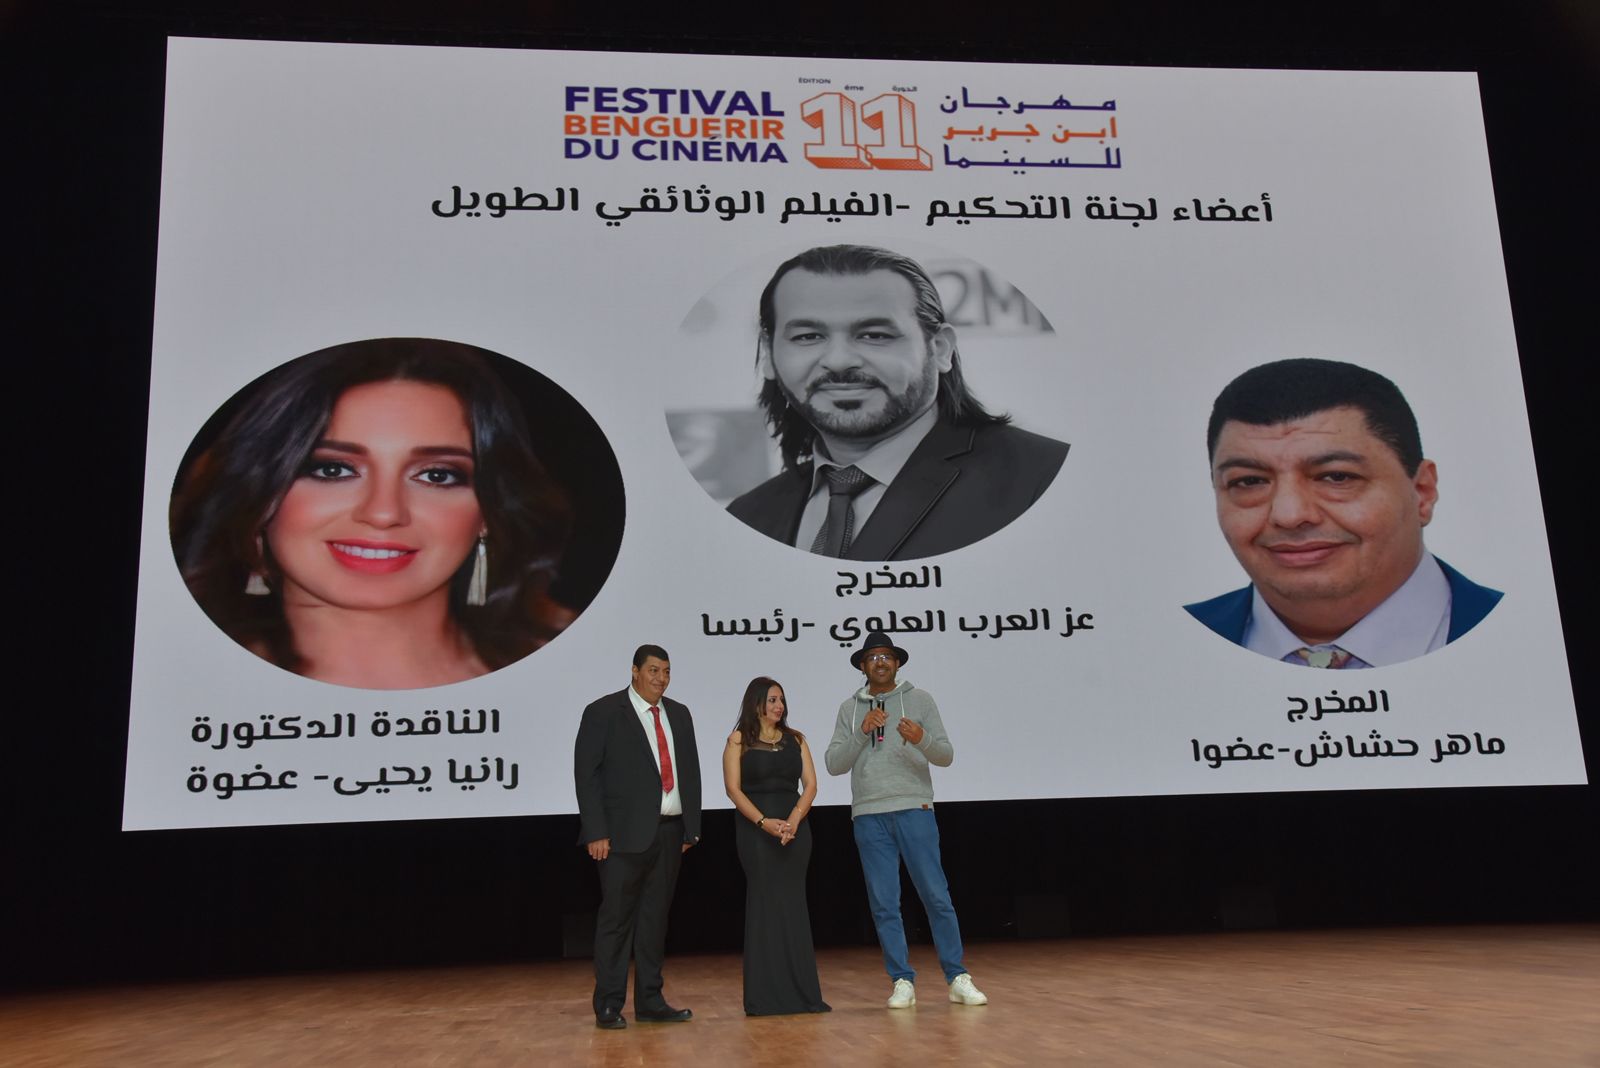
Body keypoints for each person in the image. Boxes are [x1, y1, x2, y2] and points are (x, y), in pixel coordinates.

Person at [170, 338, 572, 689]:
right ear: (260, 496)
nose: (383, 513)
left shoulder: (580, 665)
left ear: (488, 510)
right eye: (333, 470)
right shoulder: (183, 684)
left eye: (436, 475)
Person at [727, 244, 1068, 560]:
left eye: (875, 335)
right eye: (808, 336)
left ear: (940, 349)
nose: (840, 361)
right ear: (769, 354)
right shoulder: (747, 518)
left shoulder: (1048, 482)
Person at [1185, 358, 1502, 667]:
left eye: (1336, 477)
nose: (1289, 515)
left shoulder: (1525, 636)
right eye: (1250, 481)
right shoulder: (1166, 647)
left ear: (1422, 492)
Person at [824, 631, 987, 1009]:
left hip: (915, 807)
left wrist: (921, 737)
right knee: (884, 903)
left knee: (936, 895)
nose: (880, 662)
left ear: (897, 663)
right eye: (872, 657)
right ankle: (901, 980)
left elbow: (945, 755)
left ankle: (957, 976)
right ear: (863, 666)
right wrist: (862, 732)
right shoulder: (849, 709)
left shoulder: (920, 700)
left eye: (886, 656)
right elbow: (833, 764)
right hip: (869, 814)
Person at [574, 645, 703, 1029]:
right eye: (653, 670)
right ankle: (609, 1004)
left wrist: (691, 827)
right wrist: (596, 831)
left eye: (666, 671)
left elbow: (690, 771)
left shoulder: (679, 714)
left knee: (654, 922)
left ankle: (651, 1001)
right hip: (620, 838)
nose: (661, 678)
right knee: (616, 922)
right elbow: (587, 775)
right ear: (634, 671)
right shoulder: (603, 712)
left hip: (670, 833)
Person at [722, 677, 831, 1016]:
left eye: (781, 700)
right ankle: (764, 997)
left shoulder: (796, 739)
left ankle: (803, 995)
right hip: (756, 832)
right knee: (765, 906)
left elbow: (810, 785)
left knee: (793, 905)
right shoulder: (738, 740)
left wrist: (794, 819)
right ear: (756, 703)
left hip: (794, 831)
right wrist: (763, 822)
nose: (779, 706)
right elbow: (733, 789)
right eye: (772, 700)